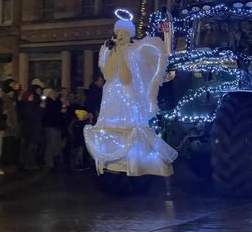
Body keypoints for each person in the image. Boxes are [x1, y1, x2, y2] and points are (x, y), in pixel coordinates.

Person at [84, 18, 178, 176]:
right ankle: (111, 161)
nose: (120, 36)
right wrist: (114, 53)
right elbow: (108, 74)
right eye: (118, 33)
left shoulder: (133, 52)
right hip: (112, 97)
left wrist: (122, 53)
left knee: (128, 127)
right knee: (111, 128)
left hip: (127, 96)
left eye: (123, 33)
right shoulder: (112, 51)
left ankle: (134, 162)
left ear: (129, 35)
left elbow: (126, 77)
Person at [17, 91, 43, 170]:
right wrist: (40, 108)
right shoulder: (27, 105)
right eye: (31, 96)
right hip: (31, 128)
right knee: (31, 147)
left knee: (31, 146)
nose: (32, 97)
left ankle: (29, 162)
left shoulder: (29, 105)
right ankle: (29, 163)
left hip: (31, 128)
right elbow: (32, 115)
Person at [42, 88, 63, 169]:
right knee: (50, 143)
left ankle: (55, 160)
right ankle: (49, 162)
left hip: (56, 125)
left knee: (56, 144)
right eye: (52, 92)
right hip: (50, 125)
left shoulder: (56, 102)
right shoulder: (48, 102)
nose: (54, 93)